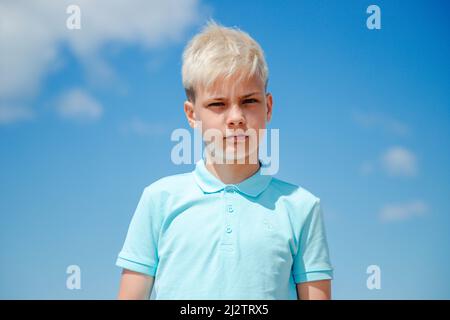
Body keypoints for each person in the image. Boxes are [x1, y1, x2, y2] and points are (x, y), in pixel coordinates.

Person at [116, 21, 333, 300]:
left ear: (267, 107)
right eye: (217, 104)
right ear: (192, 114)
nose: (236, 117)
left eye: (249, 101)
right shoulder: (158, 199)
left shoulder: (302, 207)